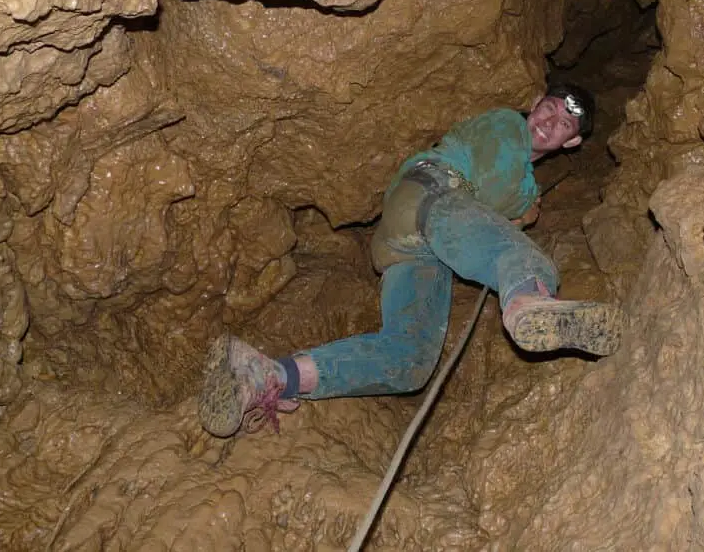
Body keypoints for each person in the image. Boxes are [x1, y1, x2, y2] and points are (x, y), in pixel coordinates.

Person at [199, 82, 624, 437]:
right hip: (433, 195)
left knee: (410, 361)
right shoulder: (505, 125)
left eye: (562, 123)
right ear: (533, 106)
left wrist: (525, 203)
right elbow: (499, 186)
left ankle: (266, 375)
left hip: (412, 246)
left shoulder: (522, 172)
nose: (547, 122)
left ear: (572, 142)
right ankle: (529, 305)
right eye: (547, 109)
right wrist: (527, 208)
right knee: (524, 259)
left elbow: (503, 196)